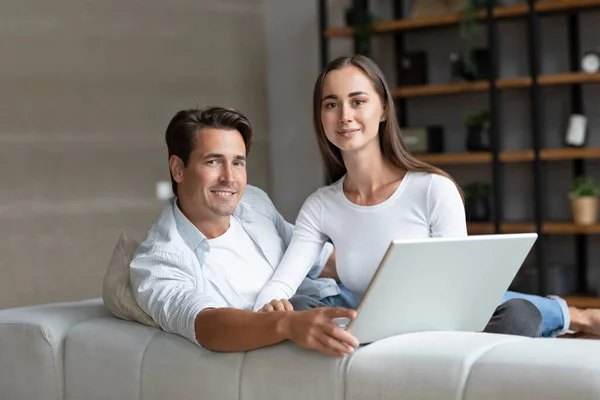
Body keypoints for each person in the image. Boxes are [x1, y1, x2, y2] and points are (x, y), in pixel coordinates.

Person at [253, 54, 600, 339]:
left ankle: (570, 318)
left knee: (518, 316)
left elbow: (460, 292)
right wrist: (272, 305)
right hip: (376, 335)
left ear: (383, 110)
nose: (345, 116)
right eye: (332, 104)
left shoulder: (433, 188)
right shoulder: (320, 206)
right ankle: (571, 317)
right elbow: (281, 284)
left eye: (358, 101)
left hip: (446, 330)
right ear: (321, 116)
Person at [130, 106, 360, 358]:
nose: (230, 178)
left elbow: (314, 258)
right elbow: (204, 325)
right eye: (213, 161)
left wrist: (380, 270)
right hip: (296, 341)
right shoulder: (158, 261)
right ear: (178, 169)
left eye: (238, 162)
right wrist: (288, 324)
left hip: (339, 304)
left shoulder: (252, 201)